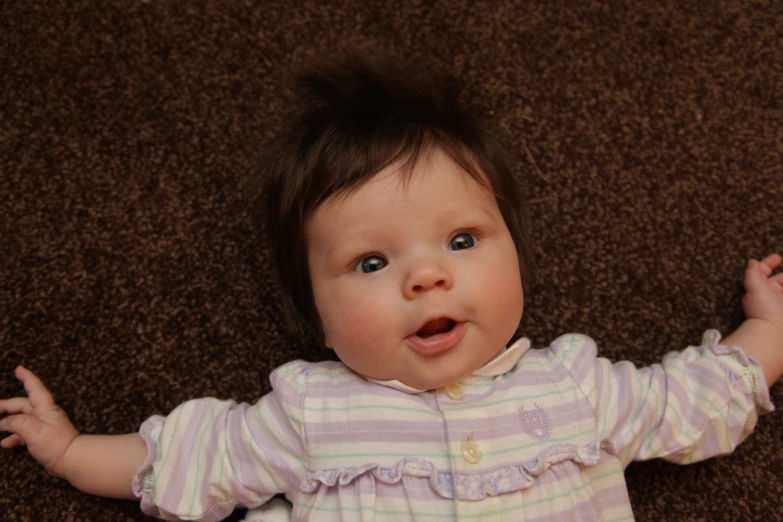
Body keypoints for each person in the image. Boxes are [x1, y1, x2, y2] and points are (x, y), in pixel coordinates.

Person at [1, 53, 781, 522]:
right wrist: (70, 452)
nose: (427, 274)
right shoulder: (311, 412)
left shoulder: (575, 388)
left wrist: (767, 333)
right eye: (370, 263)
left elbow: (693, 397)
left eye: (463, 240)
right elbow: (188, 457)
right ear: (317, 314)